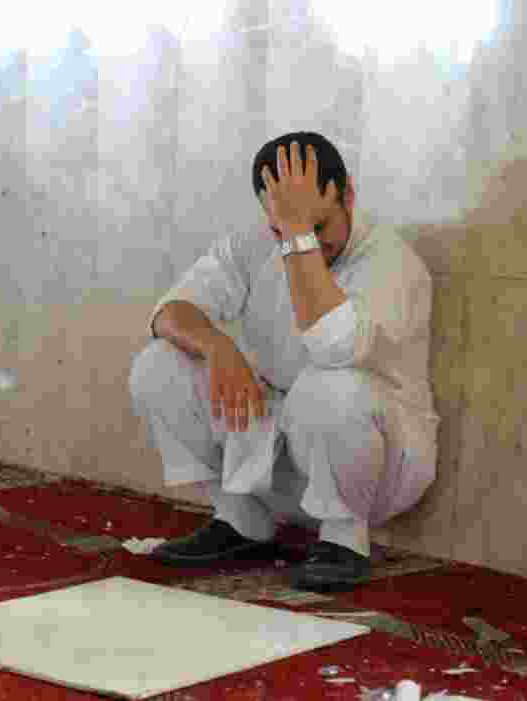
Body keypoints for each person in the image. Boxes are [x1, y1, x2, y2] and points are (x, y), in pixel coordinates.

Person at [128, 131, 441, 592]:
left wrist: (297, 237)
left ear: (347, 194)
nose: (305, 240)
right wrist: (219, 347)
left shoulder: (392, 262)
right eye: (284, 229)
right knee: (158, 366)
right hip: (276, 456)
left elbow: (331, 347)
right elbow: (169, 312)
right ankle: (242, 521)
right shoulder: (256, 242)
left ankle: (344, 541)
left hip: (375, 470)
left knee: (329, 387)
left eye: (319, 226)